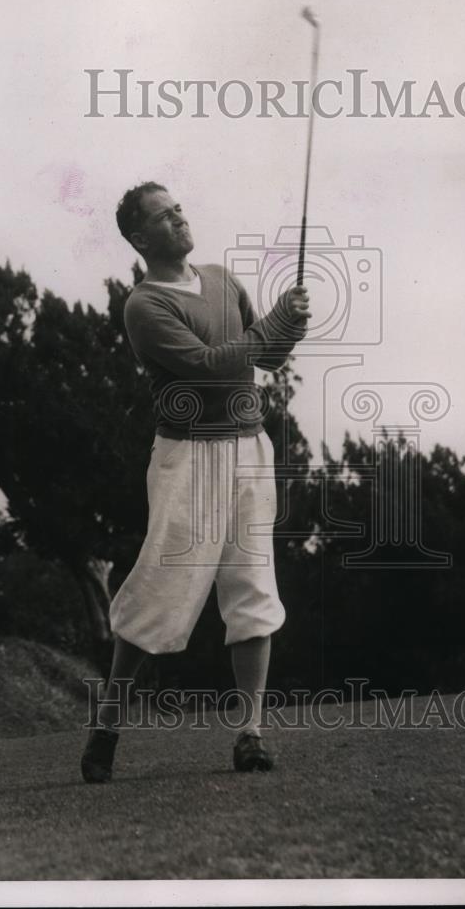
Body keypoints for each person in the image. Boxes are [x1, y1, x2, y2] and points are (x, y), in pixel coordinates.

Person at [81, 182, 311, 782]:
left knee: (253, 586)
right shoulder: (144, 306)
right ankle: (108, 720)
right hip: (188, 460)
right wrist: (274, 328)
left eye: (179, 208)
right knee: (160, 591)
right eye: (164, 216)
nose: (180, 219)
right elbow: (213, 367)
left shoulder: (223, 278)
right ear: (139, 238)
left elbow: (266, 357)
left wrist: (293, 326)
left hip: (248, 449)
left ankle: (250, 733)